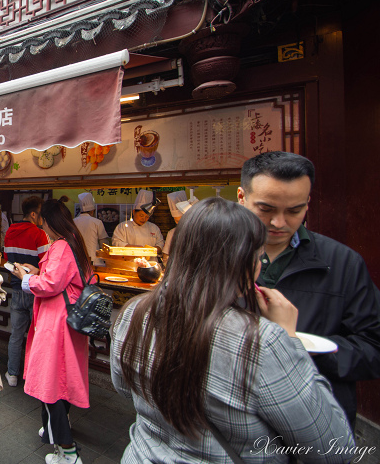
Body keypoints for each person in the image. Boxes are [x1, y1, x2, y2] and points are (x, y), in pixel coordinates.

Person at [110, 197, 354, 462]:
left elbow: (124, 386)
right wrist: (290, 339)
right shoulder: (263, 341)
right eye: (259, 256)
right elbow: (333, 448)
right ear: (247, 263)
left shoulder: (135, 312)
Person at [238, 151, 380, 427]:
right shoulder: (212, 256)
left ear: (307, 204)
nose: (280, 223)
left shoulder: (342, 263)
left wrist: (305, 349)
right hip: (235, 420)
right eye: (266, 209)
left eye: (294, 211)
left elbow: (374, 346)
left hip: (315, 419)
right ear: (242, 198)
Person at [10, 199, 90, 464]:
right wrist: (38, 269)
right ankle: (55, 431)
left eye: (42, 220)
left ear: (49, 221)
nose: (40, 225)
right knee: (60, 380)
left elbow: (50, 284)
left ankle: (67, 451)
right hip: (70, 324)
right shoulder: (75, 243)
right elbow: (62, 277)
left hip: (56, 325)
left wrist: (26, 278)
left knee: (49, 384)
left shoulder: (60, 246)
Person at [2, 195, 49, 387]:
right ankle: (34, 375)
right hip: (34, 290)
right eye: (40, 215)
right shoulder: (39, 234)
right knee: (36, 335)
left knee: (16, 335)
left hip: (16, 290)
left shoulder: (10, 232)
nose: (42, 219)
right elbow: (46, 263)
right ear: (33, 214)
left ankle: (12, 374)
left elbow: (6, 261)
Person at [73, 192, 108, 266]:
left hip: (77, 261)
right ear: (92, 211)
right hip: (95, 262)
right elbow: (104, 244)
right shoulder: (97, 222)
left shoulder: (73, 222)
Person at [162, 190, 198, 260]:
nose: (179, 223)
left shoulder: (196, 231)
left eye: (181, 220)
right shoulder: (172, 233)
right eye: (176, 220)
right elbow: (166, 254)